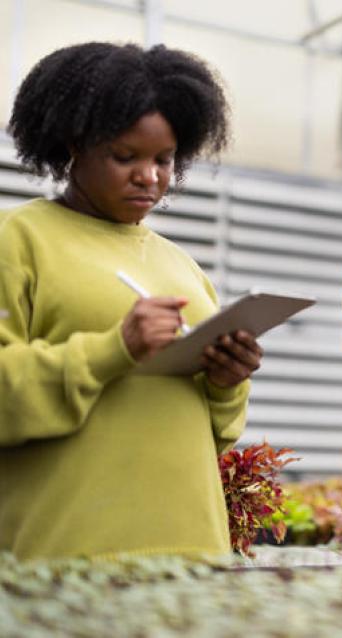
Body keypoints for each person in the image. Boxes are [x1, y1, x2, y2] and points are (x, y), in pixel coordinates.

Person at [0, 42, 263, 559]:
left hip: (191, 553)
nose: (150, 177)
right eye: (126, 157)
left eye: (164, 160)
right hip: (70, 554)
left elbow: (214, 430)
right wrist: (114, 348)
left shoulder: (183, 267)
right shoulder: (18, 239)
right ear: (74, 145)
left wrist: (227, 382)